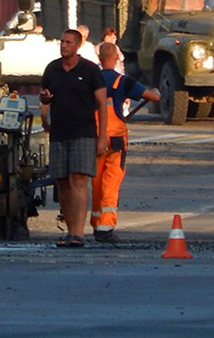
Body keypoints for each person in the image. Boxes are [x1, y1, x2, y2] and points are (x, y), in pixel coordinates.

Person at [39, 29, 108, 248]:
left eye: (68, 42)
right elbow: (44, 96)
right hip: (59, 133)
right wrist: (44, 114)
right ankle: (69, 232)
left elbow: (102, 105)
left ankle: (79, 232)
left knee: (78, 180)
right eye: (61, 42)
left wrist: (102, 136)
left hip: (83, 133)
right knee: (62, 183)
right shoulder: (53, 69)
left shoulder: (89, 70)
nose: (63, 45)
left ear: (78, 45)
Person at [91, 41, 160, 242]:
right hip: (116, 140)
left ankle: (96, 223)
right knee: (111, 181)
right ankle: (106, 227)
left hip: (94, 138)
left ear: (100, 59)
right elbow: (151, 97)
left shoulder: (92, 81)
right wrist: (156, 92)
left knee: (96, 182)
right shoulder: (122, 81)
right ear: (115, 58)